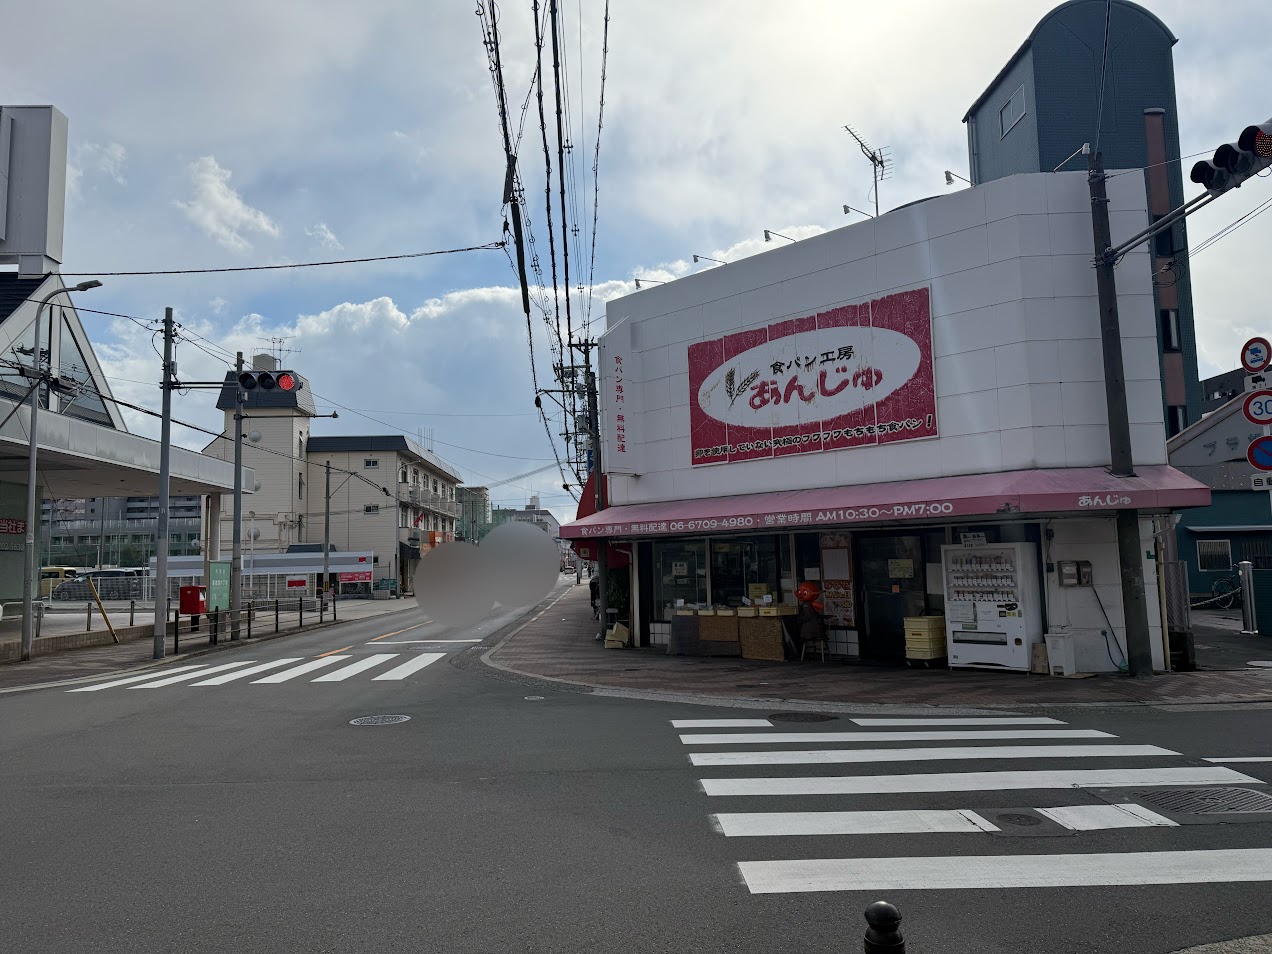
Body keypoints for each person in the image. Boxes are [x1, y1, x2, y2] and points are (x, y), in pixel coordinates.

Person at [794, 581, 826, 660]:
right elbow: (822, 606)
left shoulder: (804, 605)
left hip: (804, 633)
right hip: (816, 631)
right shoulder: (812, 604)